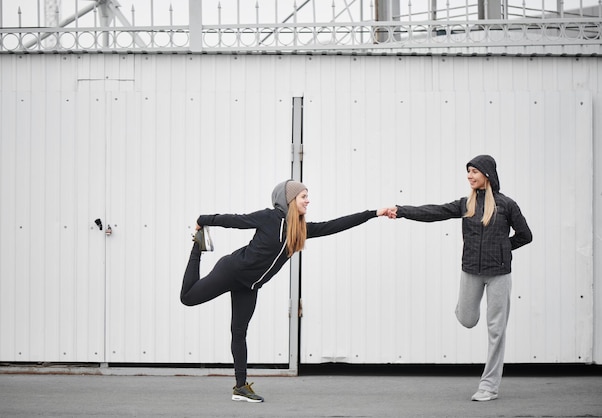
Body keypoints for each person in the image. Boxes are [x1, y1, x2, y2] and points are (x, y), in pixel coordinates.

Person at [180, 179, 395, 403]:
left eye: (307, 196)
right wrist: (203, 220)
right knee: (188, 298)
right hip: (231, 271)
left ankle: (240, 388)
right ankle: (197, 246)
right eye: (303, 196)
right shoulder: (269, 217)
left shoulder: (300, 229)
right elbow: (234, 220)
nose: (308, 200)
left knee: (239, 332)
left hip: (250, 286)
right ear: (289, 199)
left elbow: (336, 225)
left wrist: (375, 213)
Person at [391, 155, 532, 402]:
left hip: (499, 274)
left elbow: (525, 235)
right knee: (467, 319)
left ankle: (489, 386)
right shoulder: (465, 204)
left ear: (487, 174)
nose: (469, 176)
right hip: (470, 271)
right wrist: (401, 211)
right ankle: (468, 308)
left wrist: (501, 249)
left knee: (496, 330)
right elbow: (433, 211)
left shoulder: (506, 205)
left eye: (474, 171)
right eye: (468, 171)